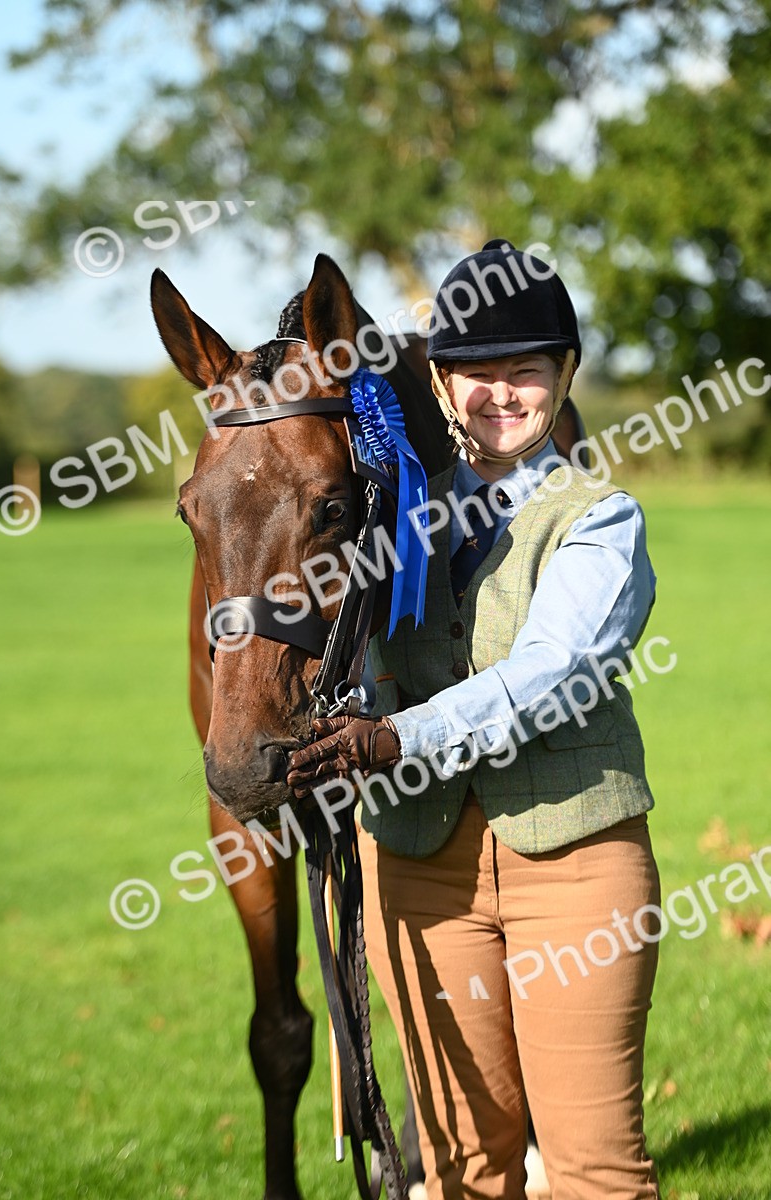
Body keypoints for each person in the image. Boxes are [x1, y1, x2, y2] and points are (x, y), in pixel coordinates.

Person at [287, 239, 662, 1200]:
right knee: (459, 1174)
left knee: (594, 1173)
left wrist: (395, 738)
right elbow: (354, 653)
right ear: (440, 384)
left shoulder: (601, 519)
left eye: (524, 371)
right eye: (473, 372)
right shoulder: (394, 516)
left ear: (564, 376)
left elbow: (552, 673)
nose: (500, 393)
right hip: (418, 871)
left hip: (574, 864)